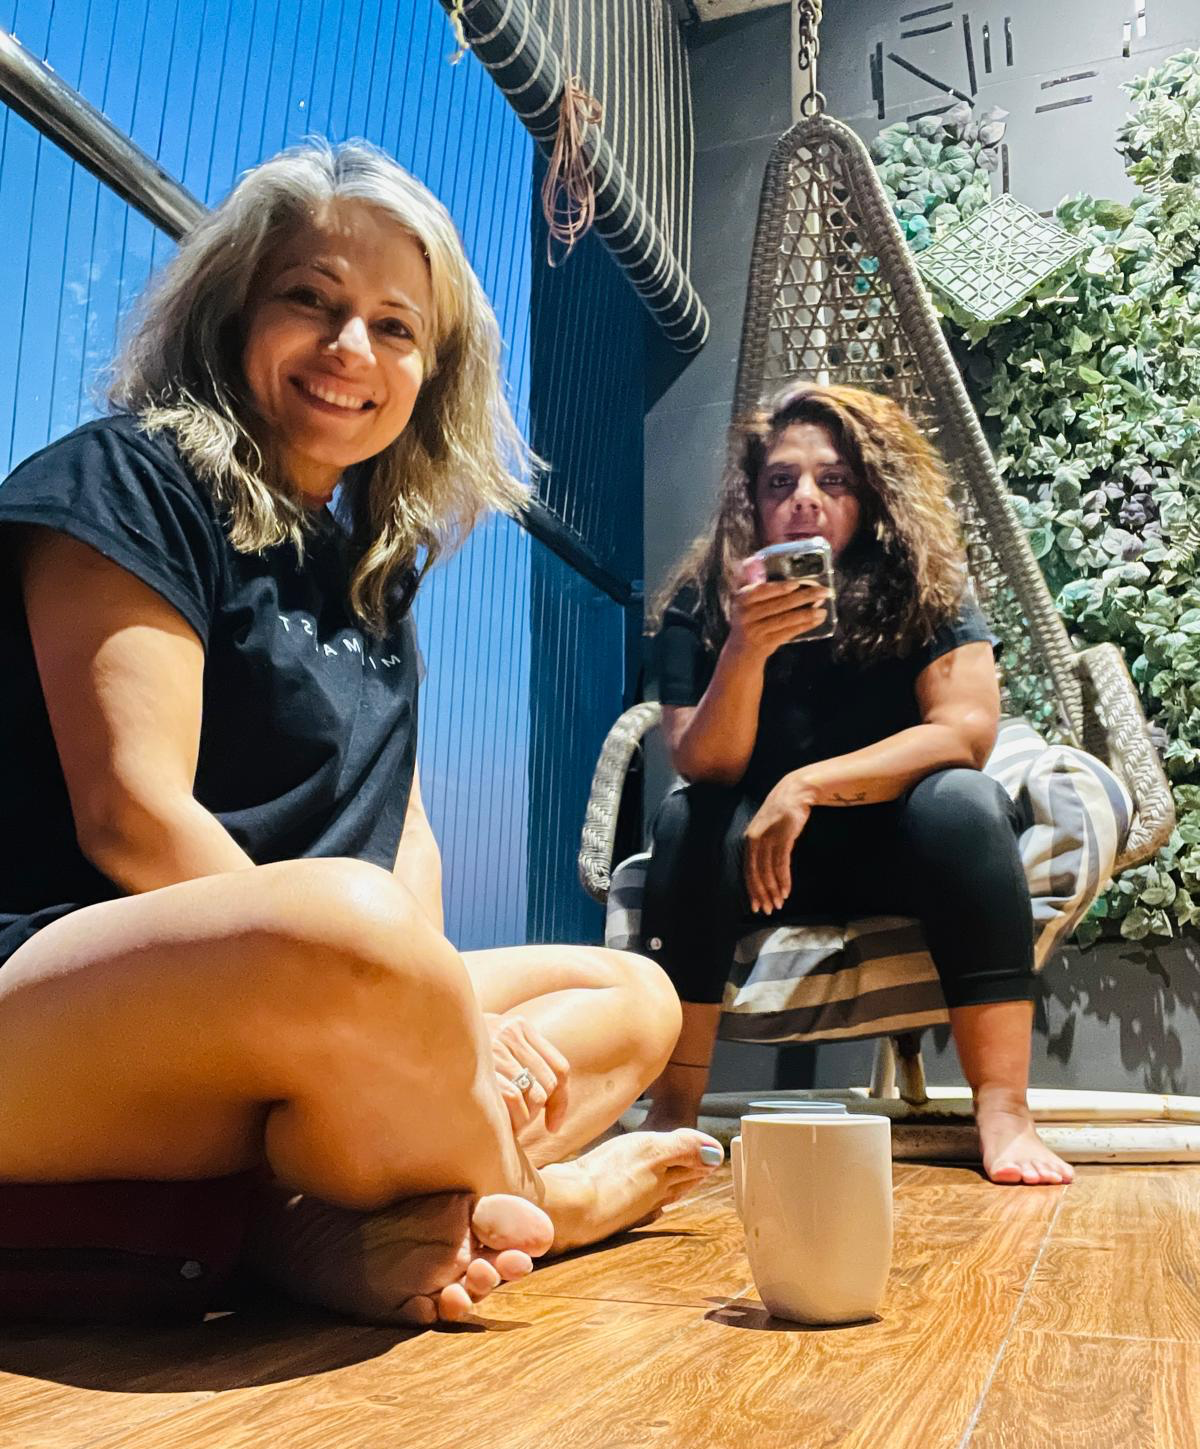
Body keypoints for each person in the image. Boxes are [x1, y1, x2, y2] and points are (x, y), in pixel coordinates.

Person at [0, 139, 723, 1328]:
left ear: (432, 372)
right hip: (63, 999)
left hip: (299, 1005)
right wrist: (423, 1010)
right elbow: (132, 817)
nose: (352, 351)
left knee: (635, 993)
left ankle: (311, 1223)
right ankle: (547, 1195)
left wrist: (429, 1015)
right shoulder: (129, 480)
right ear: (235, 310)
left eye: (396, 327)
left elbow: (412, 845)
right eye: (313, 301)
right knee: (356, 920)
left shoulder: (373, 574)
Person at [637, 381, 1074, 1186]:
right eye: (782, 482)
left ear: (869, 495)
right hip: (763, 866)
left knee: (965, 803)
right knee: (687, 820)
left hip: (895, 847)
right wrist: (744, 648)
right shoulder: (701, 601)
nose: (804, 499)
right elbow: (701, 761)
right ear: (754, 502)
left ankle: (1005, 1112)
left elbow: (966, 730)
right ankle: (672, 1115)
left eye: (831, 480)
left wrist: (805, 784)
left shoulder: (925, 585)